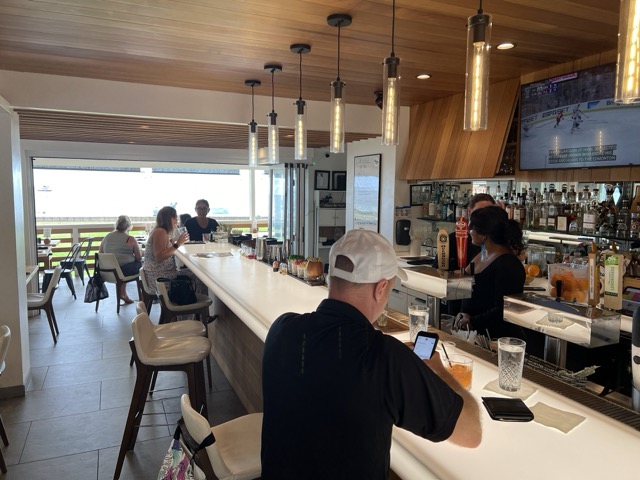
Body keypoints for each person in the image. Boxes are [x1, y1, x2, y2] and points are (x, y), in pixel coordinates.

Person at [261, 229, 482, 480]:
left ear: (330, 276)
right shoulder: (385, 356)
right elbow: (470, 432)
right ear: (380, 289)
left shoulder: (282, 328)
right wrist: (437, 369)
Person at [456, 206, 526, 338]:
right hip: (475, 335)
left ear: (484, 235)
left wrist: (472, 321)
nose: (470, 231)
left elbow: (503, 309)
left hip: (496, 339)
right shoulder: (482, 253)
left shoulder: (507, 264)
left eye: (473, 228)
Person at [143, 206, 204, 294]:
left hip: (158, 274)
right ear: (170, 218)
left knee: (195, 273)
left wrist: (173, 243)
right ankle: (194, 303)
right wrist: (177, 244)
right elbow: (159, 257)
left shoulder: (160, 231)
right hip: (159, 278)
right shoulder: (160, 232)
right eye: (175, 218)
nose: (177, 221)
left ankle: (192, 302)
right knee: (198, 275)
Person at [433, 193, 496, 271]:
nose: (483, 216)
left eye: (488, 212)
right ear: (469, 211)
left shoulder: (495, 242)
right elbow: (437, 272)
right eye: (479, 211)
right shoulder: (452, 240)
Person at [99, 215, 142, 304]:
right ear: (128, 226)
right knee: (140, 265)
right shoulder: (130, 239)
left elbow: (100, 254)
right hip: (122, 272)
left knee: (120, 265)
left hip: (107, 272)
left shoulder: (106, 237)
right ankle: (146, 296)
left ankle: (123, 294)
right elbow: (138, 257)